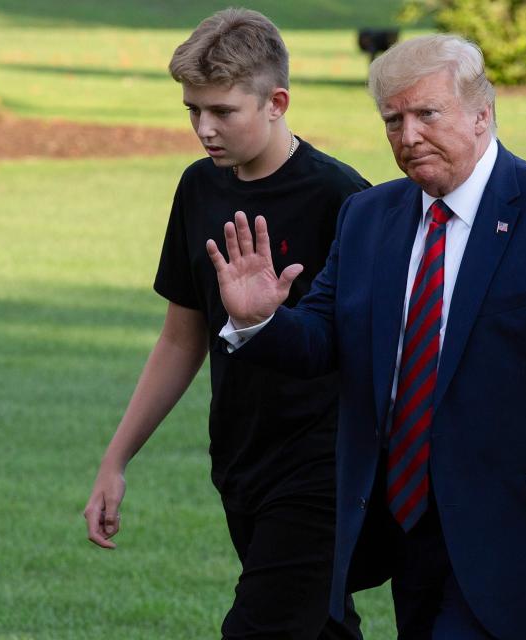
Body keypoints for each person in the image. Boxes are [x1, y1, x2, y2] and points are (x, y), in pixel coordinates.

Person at [207, 33, 526, 640]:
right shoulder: (368, 216)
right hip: (403, 529)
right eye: (393, 120)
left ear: (482, 113)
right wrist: (260, 319)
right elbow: (322, 339)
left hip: (514, 537)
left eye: (426, 114)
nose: (408, 135)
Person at [81, 9, 369, 639]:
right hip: (241, 458)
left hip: (323, 469)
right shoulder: (198, 189)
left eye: (222, 111)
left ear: (277, 102)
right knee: (322, 629)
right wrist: (116, 459)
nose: (204, 129)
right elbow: (181, 337)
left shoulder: (343, 199)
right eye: (192, 110)